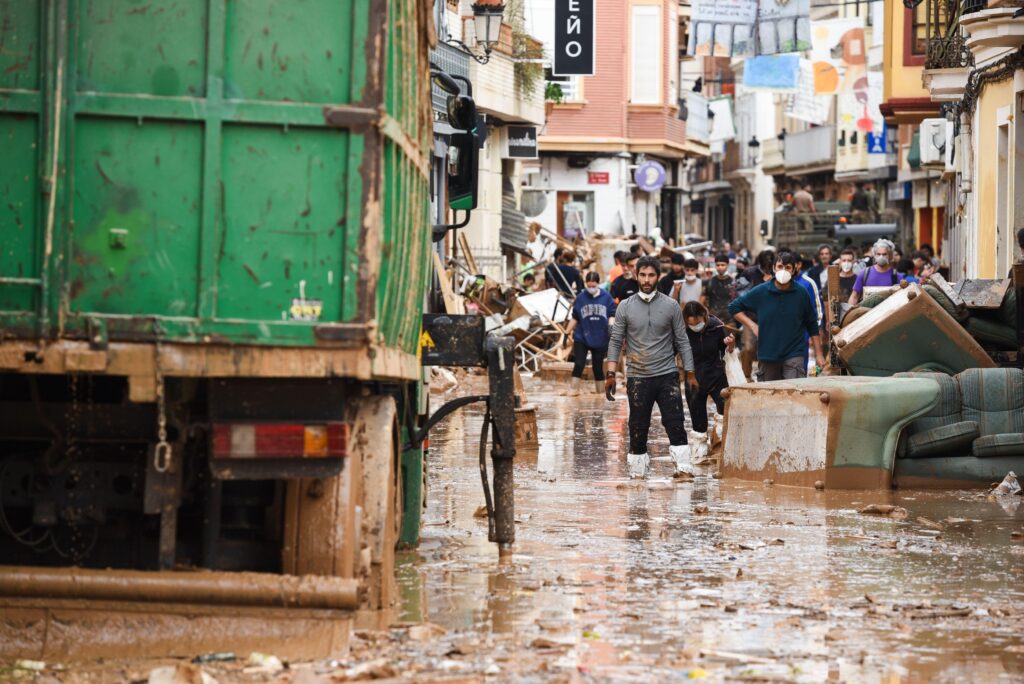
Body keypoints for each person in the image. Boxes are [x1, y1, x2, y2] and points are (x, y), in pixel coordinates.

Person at [606, 256, 697, 479]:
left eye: (651, 275)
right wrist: (610, 373)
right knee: (637, 426)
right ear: (636, 276)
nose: (647, 280)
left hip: (667, 375)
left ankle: (683, 469)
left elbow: (682, 340)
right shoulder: (625, 307)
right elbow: (616, 341)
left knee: (675, 423)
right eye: (643, 275)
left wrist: (691, 373)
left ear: (658, 277)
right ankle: (637, 475)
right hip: (637, 376)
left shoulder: (671, 306)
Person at [728, 251, 825, 381]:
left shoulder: (801, 293)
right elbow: (733, 307)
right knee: (770, 396)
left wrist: (819, 354)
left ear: (794, 270)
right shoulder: (761, 291)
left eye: (788, 267)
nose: (783, 270)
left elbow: (812, 324)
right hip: (768, 353)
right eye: (780, 266)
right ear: (774, 268)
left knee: (794, 393)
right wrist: (752, 325)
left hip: (794, 353)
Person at [682, 301, 734, 436]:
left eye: (698, 322)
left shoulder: (716, 327)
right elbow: (670, 352)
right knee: (698, 425)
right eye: (691, 324)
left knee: (726, 414)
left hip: (717, 376)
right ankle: (701, 452)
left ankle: (721, 446)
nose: (695, 327)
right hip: (692, 379)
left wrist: (731, 345)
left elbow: (726, 350)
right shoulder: (681, 332)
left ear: (704, 316)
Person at [566, 272, 616, 396]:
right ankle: (573, 390)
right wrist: (566, 333)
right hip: (582, 335)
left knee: (597, 367)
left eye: (593, 285)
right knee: (579, 363)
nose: (591, 288)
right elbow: (575, 317)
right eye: (589, 285)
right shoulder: (581, 297)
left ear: (598, 284)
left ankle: (600, 392)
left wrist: (611, 327)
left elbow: (612, 314)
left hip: (600, 336)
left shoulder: (607, 297)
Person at [849, 239, 900, 306]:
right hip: (867, 314)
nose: (881, 257)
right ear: (874, 255)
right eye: (878, 254)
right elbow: (854, 296)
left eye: (884, 254)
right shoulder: (864, 273)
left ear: (890, 255)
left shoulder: (896, 276)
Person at [704, 253, 735, 324]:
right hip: (713, 320)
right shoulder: (710, 282)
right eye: (718, 265)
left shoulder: (734, 282)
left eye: (723, 265)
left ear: (727, 265)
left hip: (730, 321)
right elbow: (704, 299)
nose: (720, 267)